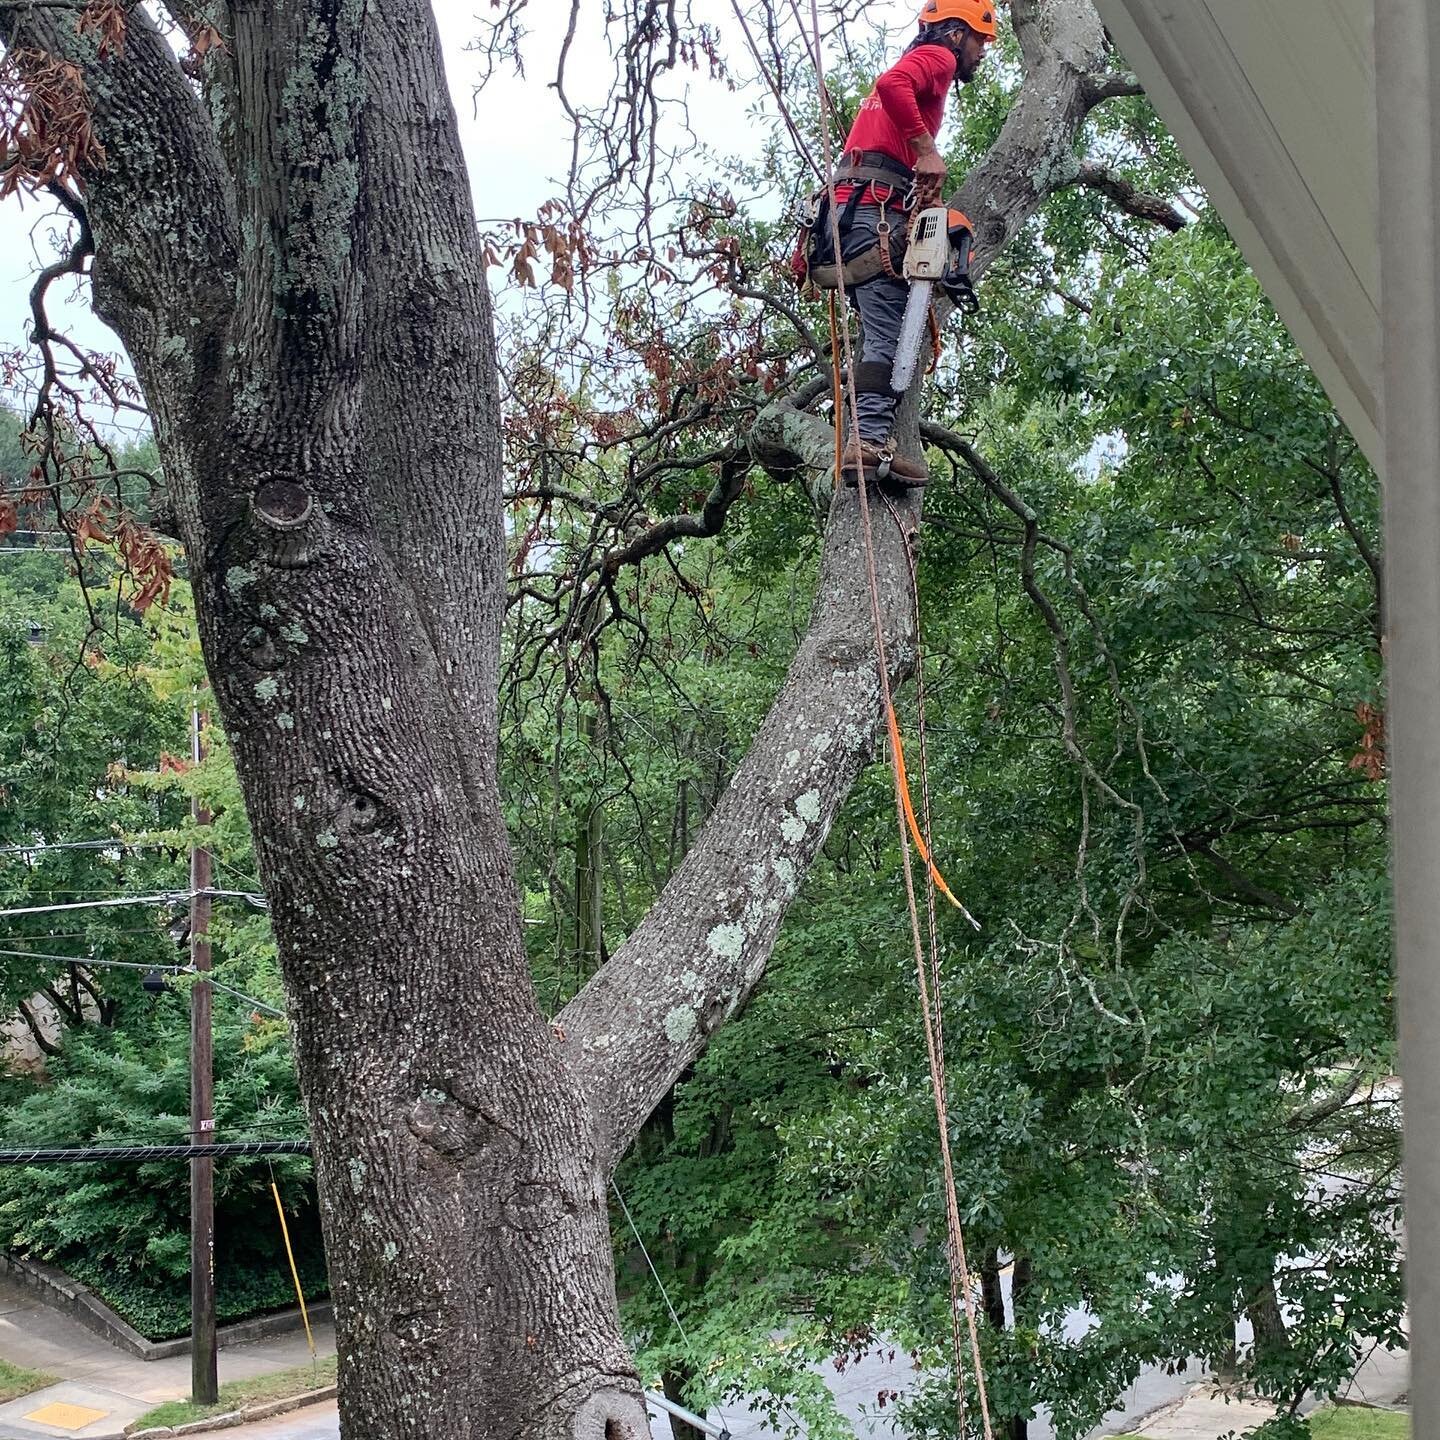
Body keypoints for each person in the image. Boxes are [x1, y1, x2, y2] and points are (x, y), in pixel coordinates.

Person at [831, 0, 997, 487]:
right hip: (868, 213)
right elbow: (892, 84)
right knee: (889, 331)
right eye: (979, 40)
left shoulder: (919, 66)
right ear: (954, 33)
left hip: (853, 214)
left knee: (885, 324)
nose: (981, 52)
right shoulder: (938, 58)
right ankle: (868, 443)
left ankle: (868, 436)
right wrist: (927, 150)